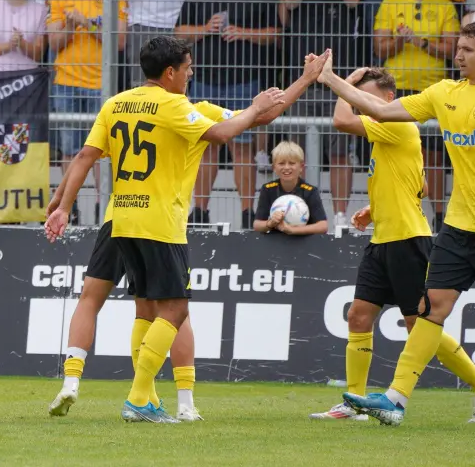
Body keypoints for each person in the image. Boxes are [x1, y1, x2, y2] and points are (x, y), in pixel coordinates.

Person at [45, 36, 297, 423]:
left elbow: (84, 156)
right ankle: (140, 396)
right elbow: (226, 133)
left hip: (120, 219)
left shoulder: (117, 103)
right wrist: (278, 96)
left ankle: (127, 393)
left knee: (144, 311)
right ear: (170, 72)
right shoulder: (177, 108)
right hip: (160, 222)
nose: (191, 74)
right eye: (187, 68)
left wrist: (63, 206)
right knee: (177, 309)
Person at [324, 20, 475, 431]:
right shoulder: (443, 93)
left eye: (467, 49)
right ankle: (395, 400)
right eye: (458, 47)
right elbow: (378, 108)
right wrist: (329, 79)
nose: (458, 54)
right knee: (430, 309)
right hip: (458, 225)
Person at [310, 65, 475, 422]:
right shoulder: (391, 133)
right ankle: (354, 401)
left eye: (367, 97)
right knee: (358, 316)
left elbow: (341, 121)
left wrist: (346, 84)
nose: (360, 103)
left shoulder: (397, 123)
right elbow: (423, 186)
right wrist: (377, 206)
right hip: (384, 237)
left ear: (389, 100)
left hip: (408, 241)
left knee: (420, 326)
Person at [178, 0, 282, 224]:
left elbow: (275, 34)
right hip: (204, 81)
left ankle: (248, 212)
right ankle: (200, 211)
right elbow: (179, 32)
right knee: (205, 146)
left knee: (242, 148)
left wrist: (244, 33)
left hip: (244, 80)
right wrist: (203, 29)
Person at [373, 0, 460, 220]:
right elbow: (380, 49)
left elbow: (452, 50)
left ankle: (436, 214)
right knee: (398, 155)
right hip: (394, 91)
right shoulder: (389, 4)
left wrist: (419, 41)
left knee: (433, 157)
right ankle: (404, 211)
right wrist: (401, 40)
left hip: (432, 90)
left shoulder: (444, 6)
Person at [251, 141, 328, 235]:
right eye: (281, 163)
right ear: (274, 167)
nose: (286, 167)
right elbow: (257, 225)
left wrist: (292, 230)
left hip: (303, 243)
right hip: (275, 243)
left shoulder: (310, 191)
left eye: (291, 163)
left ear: (301, 167)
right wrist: (270, 223)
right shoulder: (267, 189)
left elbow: (323, 226)